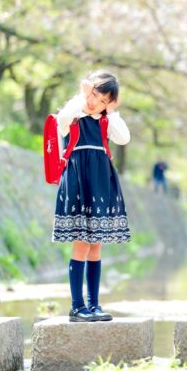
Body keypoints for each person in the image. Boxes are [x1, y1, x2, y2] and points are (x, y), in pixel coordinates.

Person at [52, 70, 131, 322]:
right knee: (81, 243)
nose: (95, 101)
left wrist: (112, 111)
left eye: (103, 100)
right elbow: (61, 119)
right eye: (94, 94)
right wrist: (81, 96)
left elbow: (124, 137)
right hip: (78, 180)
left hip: (101, 181)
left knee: (96, 244)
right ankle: (77, 306)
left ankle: (94, 305)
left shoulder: (107, 120)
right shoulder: (73, 116)